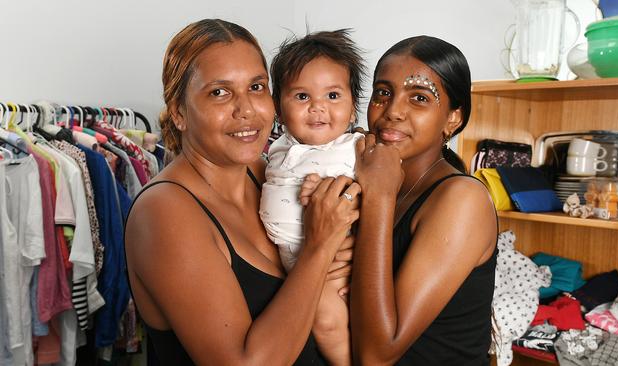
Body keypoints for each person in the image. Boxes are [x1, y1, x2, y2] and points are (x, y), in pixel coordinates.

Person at [124, 19, 360, 365]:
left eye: (256, 87)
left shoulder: (268, 172)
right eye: (219, 92)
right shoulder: (164, 212)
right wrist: (319, 249)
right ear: (179, 113)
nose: (246, 110)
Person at [350, 36, 498, 365]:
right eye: (383, 93)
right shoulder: (364, 171)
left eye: (418, 98)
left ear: (453, 119)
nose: (393, 111)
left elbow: (376, 356)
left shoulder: (462, 199)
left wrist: (378, 195)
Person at [259, 29, 365, 366]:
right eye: (302, 97)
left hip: (332, 266)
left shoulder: (354, 149)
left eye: (333, 96)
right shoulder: (277, 149)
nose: (318, 108)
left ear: (352, 108)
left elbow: (380, 194)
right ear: (279, 108)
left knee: (326, 320)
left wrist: (335, 190)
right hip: (289, 261)